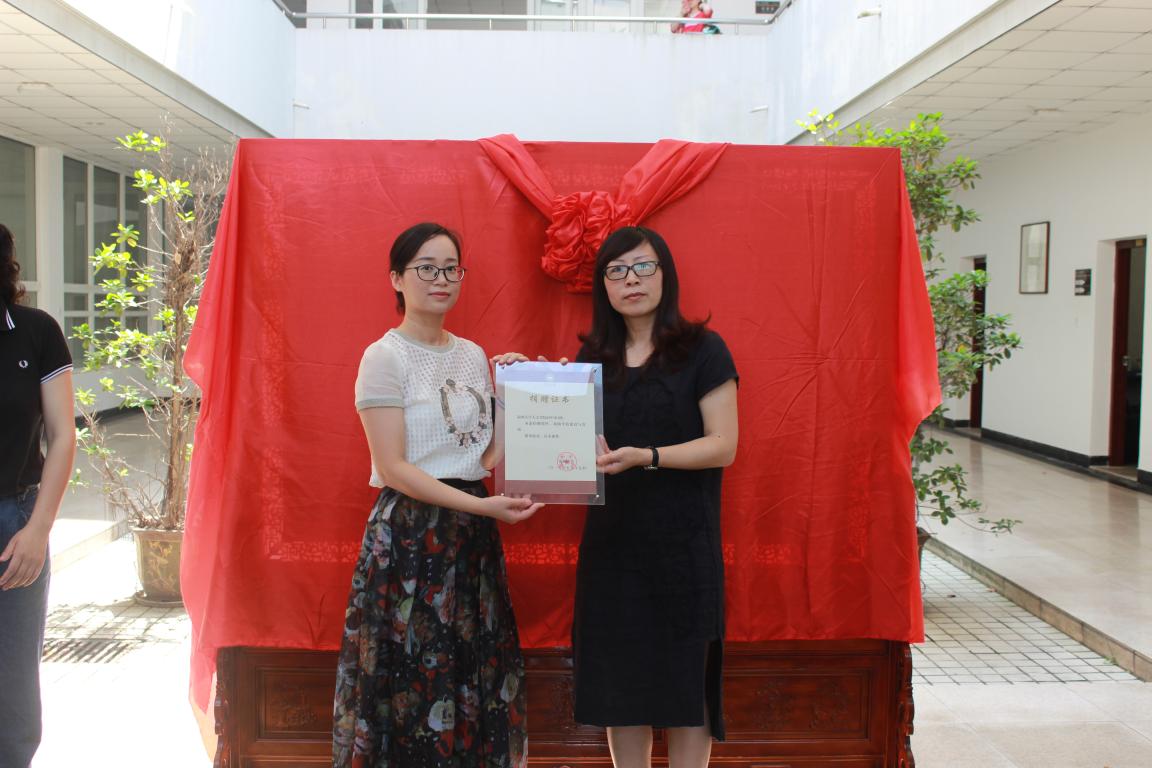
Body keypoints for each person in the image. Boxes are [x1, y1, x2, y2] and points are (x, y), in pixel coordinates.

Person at [333, 222, 542, 768]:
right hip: (410, 537)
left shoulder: (473, 354)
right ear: (397, 279)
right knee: (412, 677)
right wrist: (481, 506)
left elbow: (484, 457)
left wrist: (514, 393)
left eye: (451, 268)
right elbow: (393, 467)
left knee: (470, 670)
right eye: (426, 268)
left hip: (470, 539)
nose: (441, 279)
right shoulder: (384, 357)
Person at [572, 226, 739, 768]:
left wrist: (648, 456)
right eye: (617, 270)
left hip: (683, 548)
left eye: (644, 267)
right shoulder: (592, 359)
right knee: (621, 685)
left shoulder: (704, 350)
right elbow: (560, 439)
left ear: (665, 276)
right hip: (612, 549)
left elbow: (723, 444)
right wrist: (521, 381)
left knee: (686, 686)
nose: (632, 280)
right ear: (603, 285)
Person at [0, 222, 76, 768]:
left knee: (12, 680)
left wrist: (39, 528)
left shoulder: (35, 331)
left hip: (15, 524)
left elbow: (63, 435)